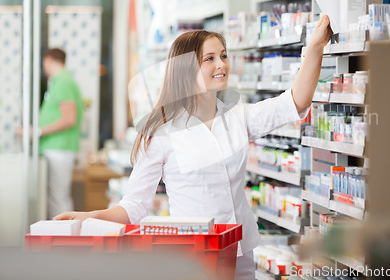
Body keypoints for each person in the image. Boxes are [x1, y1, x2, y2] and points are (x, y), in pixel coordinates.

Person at [55, 15, 333, 279]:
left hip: (240, 249)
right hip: (192, 253)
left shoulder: (238, 117)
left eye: (223, 55)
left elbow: (296, 100)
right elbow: (134, 206)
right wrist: (90, 215)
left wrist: (316, 45)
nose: (221, 64)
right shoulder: (161, 133)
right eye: (209, 59)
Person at [38, 48, 84, 219]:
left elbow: (69, 118)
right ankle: (61, 238)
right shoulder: (59, 82)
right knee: (56, 198)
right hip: (57, 148)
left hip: (60, 149)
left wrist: (38, 131)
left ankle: (65, 241)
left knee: (58, 199)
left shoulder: (63, 81)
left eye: (44, 63)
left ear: (49, 60)